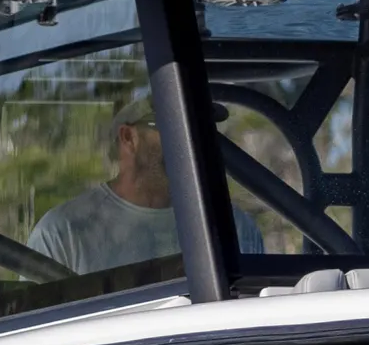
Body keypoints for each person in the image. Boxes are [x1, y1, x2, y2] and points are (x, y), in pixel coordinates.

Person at [26, 91, 264, 275]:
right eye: (174, 125)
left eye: (200, 125)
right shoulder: (62, 233)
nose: (191, 137)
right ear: (129, 137)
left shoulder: (234, 227)